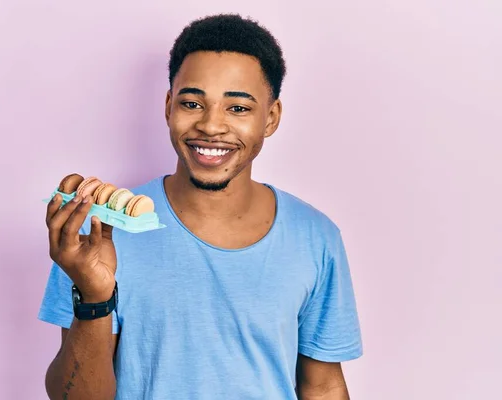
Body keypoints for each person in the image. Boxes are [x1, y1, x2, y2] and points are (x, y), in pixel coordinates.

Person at [39, 13, 363, 400]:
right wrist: (94, 297)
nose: (211, 126)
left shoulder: (315, 236)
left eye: (238, 108)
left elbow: (323, 386)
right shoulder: (99, 234)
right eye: (192, 103)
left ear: (271, 118)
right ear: (168, 106)